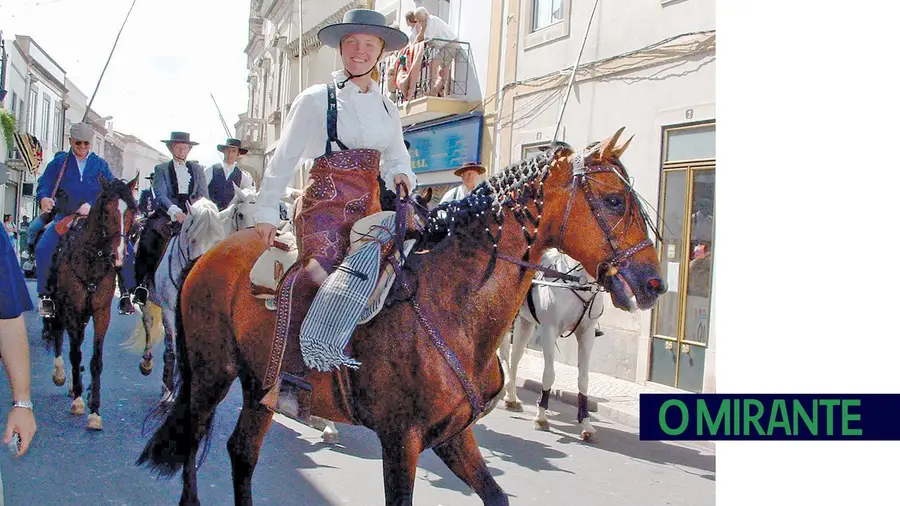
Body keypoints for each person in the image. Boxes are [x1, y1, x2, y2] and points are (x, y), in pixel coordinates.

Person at [254, 9, 415, 391]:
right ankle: (291, 378)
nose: (360, 51)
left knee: (403, 275)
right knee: (315, 278)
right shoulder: (315, 99)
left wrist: (402, 176)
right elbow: (284, 158)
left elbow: (396, 157)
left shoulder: (388, 108)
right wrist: (264, 210)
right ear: (341, 49)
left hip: (370, 210)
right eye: (352, 43)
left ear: (380, 52)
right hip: (323, 209)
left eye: (369, 44)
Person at [34, 123, 137, 317]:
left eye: (86, 144)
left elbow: (113, 190)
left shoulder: (100, 165)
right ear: (71, 141)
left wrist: (91, 203)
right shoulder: (59, 163)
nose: (82, 147)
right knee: (43, 248)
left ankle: (126, 293)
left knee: (126, 248)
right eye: (78, 143)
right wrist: (44, 198)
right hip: (65, 216)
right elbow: (44, 185)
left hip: (95, 220)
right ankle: (45, 296)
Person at [133, 132, 209, 305]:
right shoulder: (161, 169)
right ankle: (143, 284)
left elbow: (204, 194)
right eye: (178, 146)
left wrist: (194, 211)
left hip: (193, 214)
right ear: (171, 148)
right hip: (168, 213)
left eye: (185, 147)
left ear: (189, 149)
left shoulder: (198, 170)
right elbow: (160, 194)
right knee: (148, 237)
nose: (182, 150)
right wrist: (176, 212)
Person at [0, 228, 38, 501]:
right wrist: (49, 202)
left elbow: (6, 316)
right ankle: (47, 291)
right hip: (60, 217)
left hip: (88, 217)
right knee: (41, 236)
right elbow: (46, 188)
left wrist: (22, 403)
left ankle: (137, 288)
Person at [205, 138, 255, 211]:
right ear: (224, 152)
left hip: (230, 216)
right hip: (211, 213)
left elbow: (248, 194)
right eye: (228, 150)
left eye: (233, 151)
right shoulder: (210, 170)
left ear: (238, 154)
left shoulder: (242, 176)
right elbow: (201, 192)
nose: (230, 154)